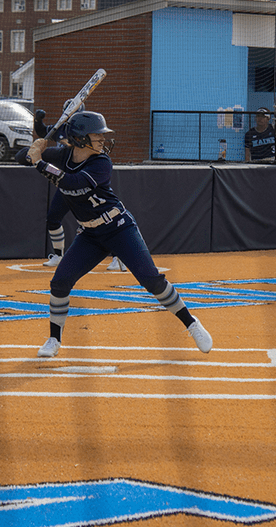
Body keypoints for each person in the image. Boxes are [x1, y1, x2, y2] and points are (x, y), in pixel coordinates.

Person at [17, 111, 212, 358]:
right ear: (79, 138)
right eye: (96, 134)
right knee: (60, 282)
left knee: (151, 280)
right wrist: (32, 150)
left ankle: (191, 323)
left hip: (119, 228)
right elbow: (19, 156)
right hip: (90, 235)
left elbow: (73, 184)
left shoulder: (101, 163)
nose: (102, 139)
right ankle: (54, 340)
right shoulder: (63, 155)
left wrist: (39, 162)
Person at [32, 103, 126, 271]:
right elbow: (41, 133)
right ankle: (58, 255)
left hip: (86, 181)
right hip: (65, 179)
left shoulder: (94, 148)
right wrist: (37, 124)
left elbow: (75, 179)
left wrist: (41, 163)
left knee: (102, 220)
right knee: (53, 217)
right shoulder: (61, 129)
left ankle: (119, 256)